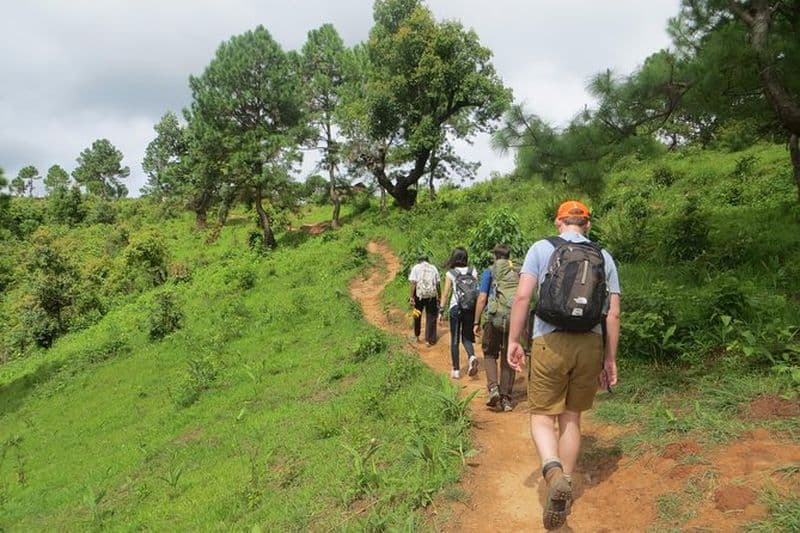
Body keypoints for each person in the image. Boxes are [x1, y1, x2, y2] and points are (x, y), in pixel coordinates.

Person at [506, 200, 621, 531]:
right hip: (590, 343)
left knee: (543, 416)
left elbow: (523, 297)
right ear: (587, 224)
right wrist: (609, 358)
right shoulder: (605, 256)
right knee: (572, 418)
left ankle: (553, 471)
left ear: (559, 222)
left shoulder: (541, 249)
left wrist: (515, 340)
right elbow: (612, 313)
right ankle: (565, 486)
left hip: (550, 340)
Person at [473, 244, 518, 413]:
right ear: (508, 256)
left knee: (490, 353)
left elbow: (482, 297)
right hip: (513, 319)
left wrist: (476, 321)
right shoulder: (517, 272)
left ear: (495, 257)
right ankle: (506, 399)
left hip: (493, 318)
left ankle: (493, 389)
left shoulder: (489, 271)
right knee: (509, 356)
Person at [439, 247, 479, 379]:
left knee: (455, 339)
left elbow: (445, 294)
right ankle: (472, 356)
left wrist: (441, 311)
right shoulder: (472, 270)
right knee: (467, 337)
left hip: (456, 308)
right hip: (470, 307)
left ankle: (456, 370)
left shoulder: (450, 273)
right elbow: (476, 291)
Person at [408, 254, 440, 345]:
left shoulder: (416, 268)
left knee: (417, 315)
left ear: (419, 261)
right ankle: (429, 340)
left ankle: (417, 336)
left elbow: (413, 283)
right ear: (428, 260)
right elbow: (437, 284)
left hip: (419, 296)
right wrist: (439, 296)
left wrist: (411, 297)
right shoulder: (433, 268)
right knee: (431, 316)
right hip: (431, 296)